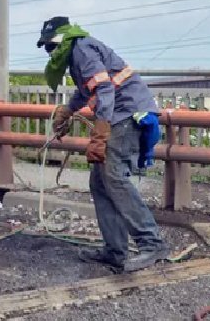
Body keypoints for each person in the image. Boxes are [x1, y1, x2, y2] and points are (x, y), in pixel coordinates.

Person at [38, 16, 169, 273]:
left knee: (114, 177)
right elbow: (89, 90)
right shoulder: (77, 53)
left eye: (49, 46)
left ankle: (151, 243)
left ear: (60, 40)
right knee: (99, 182)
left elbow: (105, 91)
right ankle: (115, 250)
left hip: (126, 115)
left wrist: (100, 132)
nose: (49, 52)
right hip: (119, 114)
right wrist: (68, 109)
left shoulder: (81, 50)